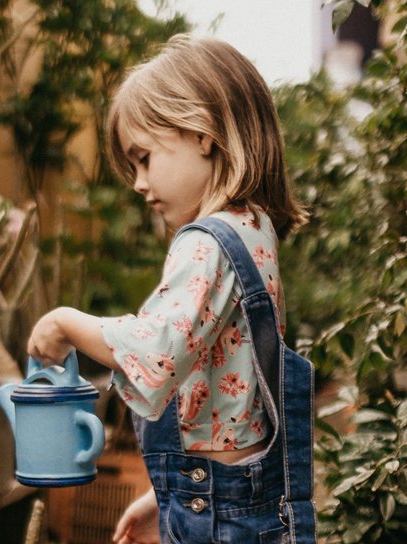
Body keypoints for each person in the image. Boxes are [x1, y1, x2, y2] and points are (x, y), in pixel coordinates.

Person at [27, 34, 317, 543]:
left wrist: (65, 322)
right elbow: (230, 410)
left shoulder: (205, 243)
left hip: (221, 517)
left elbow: (157, 351)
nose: (138, 183)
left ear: (201, 133)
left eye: (144, 158)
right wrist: (163, 500)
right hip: (239, 502)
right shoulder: (252, 228)